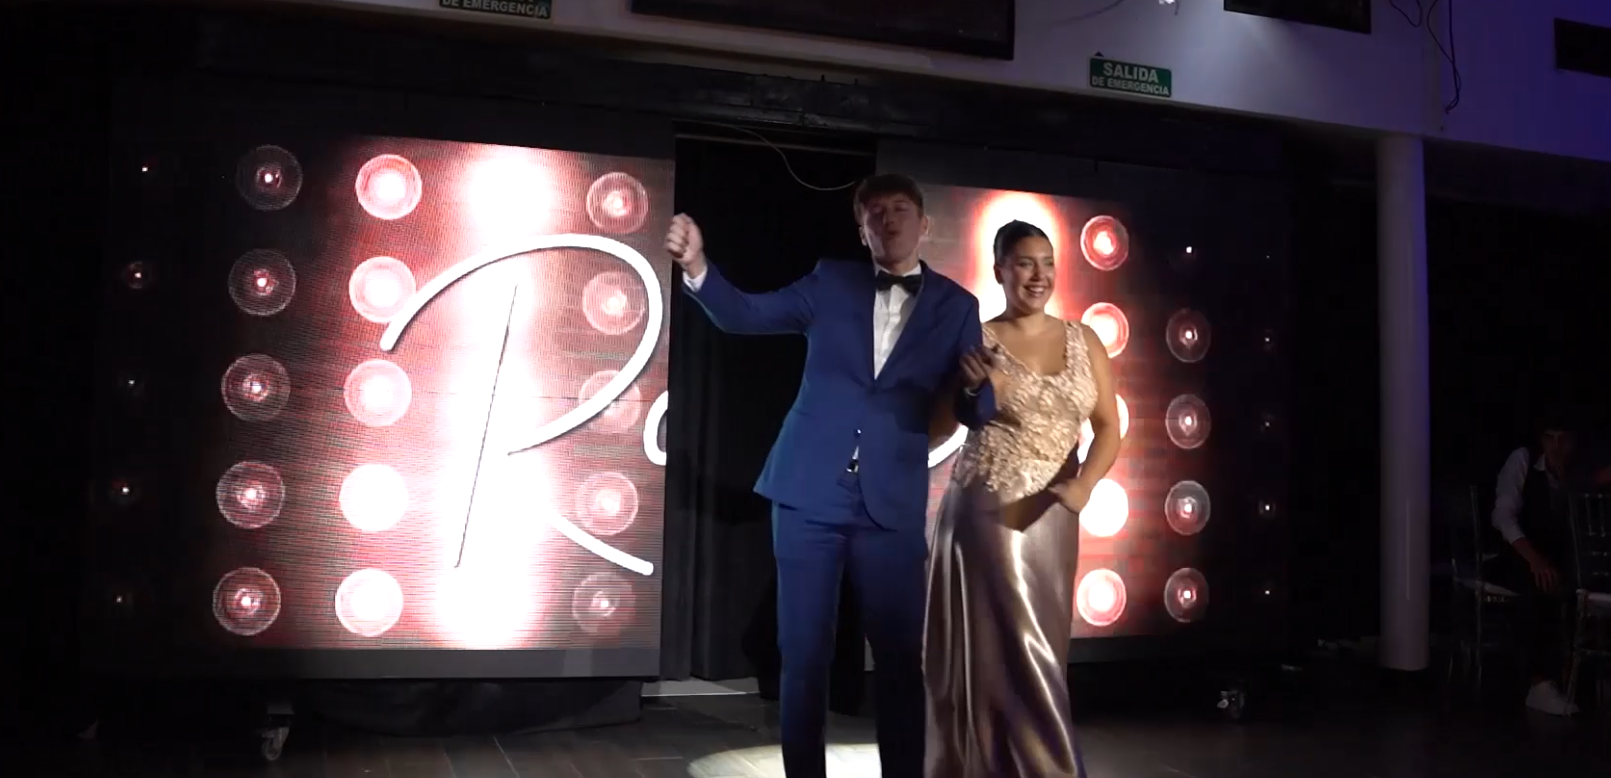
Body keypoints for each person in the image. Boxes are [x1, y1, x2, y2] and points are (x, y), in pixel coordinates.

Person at [664, 173, 999, 778]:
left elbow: (978, 413)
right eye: (876, 212)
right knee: (805, 658)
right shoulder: (831, 280)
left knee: (900, 660)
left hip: (890, 503)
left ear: (924, 225)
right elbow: (744, 314)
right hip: (806, 492)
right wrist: (698, 267)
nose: (889, 220)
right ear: (861, 228)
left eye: (901, 210)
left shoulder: (957, 306)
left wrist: (975, 386)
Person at [924, 220, 1121, 778]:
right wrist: (971, 391)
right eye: (1025, 263)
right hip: (992, 510)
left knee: (1038, 652)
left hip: (1056, 514)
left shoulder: (1085, 339)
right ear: (1000, 271)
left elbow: (1108, 427)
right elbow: (938, 427)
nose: (1039, 275)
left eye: (1047, 262)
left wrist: (1083, 487)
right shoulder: (978, 339)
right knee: (1020, 651)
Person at [1487, 414, 1590, 715]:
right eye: (1550, 437)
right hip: (1517, 555)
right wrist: (1534, 559)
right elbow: (1503, 516)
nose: (1557, 446)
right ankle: (1538, 683)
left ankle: (1581, 676)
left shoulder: (1575, 471)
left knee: (1575, 582)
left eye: (1564, 438)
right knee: (1539, 582)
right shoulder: (1523, 460)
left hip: (1559, 557)